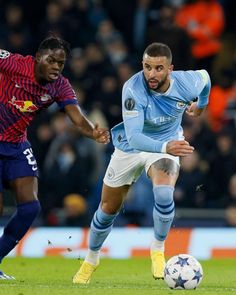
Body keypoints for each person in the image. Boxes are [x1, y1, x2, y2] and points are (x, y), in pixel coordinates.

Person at [72, 42, 211, 284]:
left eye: (158, 68)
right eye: (147, 67)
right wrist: (166, 147)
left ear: (170, 69)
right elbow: (136, 137)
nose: (151, 74)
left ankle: (157, 249)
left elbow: (206, 78)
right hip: (131, 146)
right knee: (107, 210)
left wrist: (201, 105)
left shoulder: (187, 82)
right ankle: (91, 259)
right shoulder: (133, 88)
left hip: (165, 143)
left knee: (164, 194)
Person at [0, 35, 110, 279]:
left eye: (61, 64)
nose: (56, 68)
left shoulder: (59, 85)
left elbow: (77, 117)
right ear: (39, 57)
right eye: (52, 61)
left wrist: (94, 132)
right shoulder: (14, 63)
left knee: (30, 207)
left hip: (16, 144)